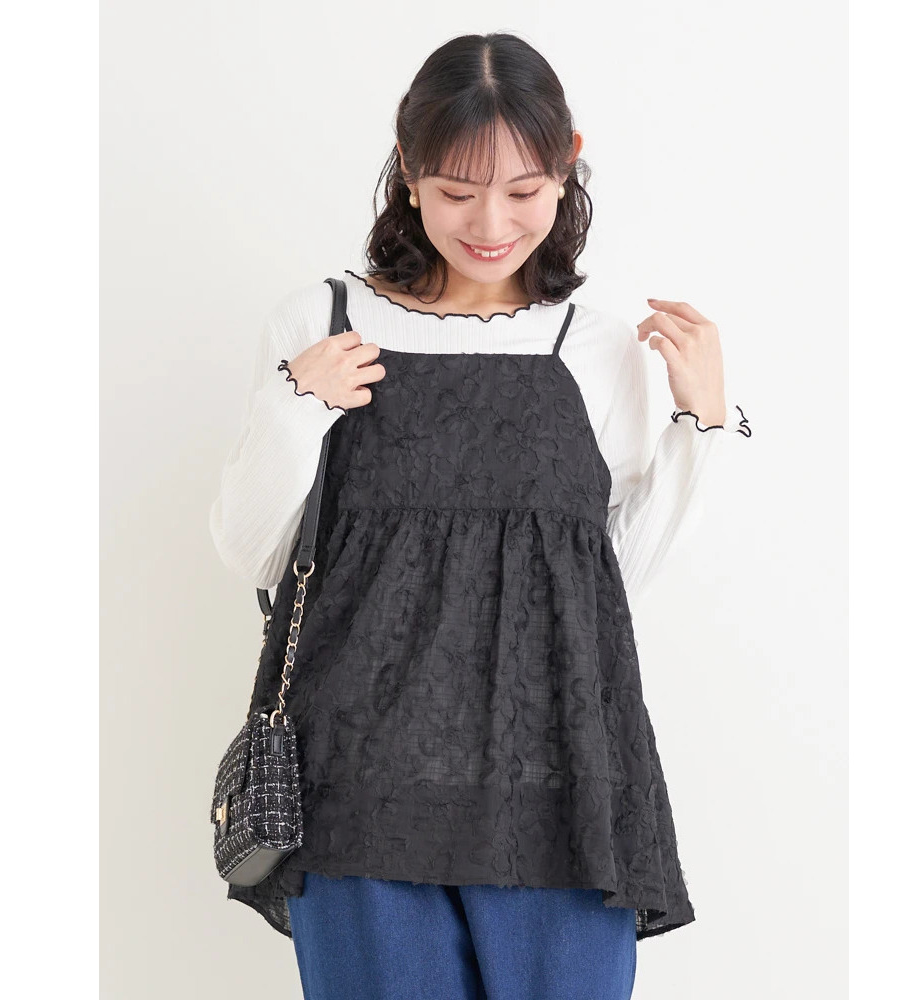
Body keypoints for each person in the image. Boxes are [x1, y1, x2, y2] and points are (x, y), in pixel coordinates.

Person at [209, 30, 751, 1000]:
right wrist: (296, 408)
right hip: (360, 780)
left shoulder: (595, 342)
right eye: (457, 191)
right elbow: (255, 553)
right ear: (408, 170)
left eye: (523, 189)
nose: (490, 224)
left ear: (567, 163)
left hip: (561, 781)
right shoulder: (321, 321)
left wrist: (698, 426)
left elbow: (611, 582)